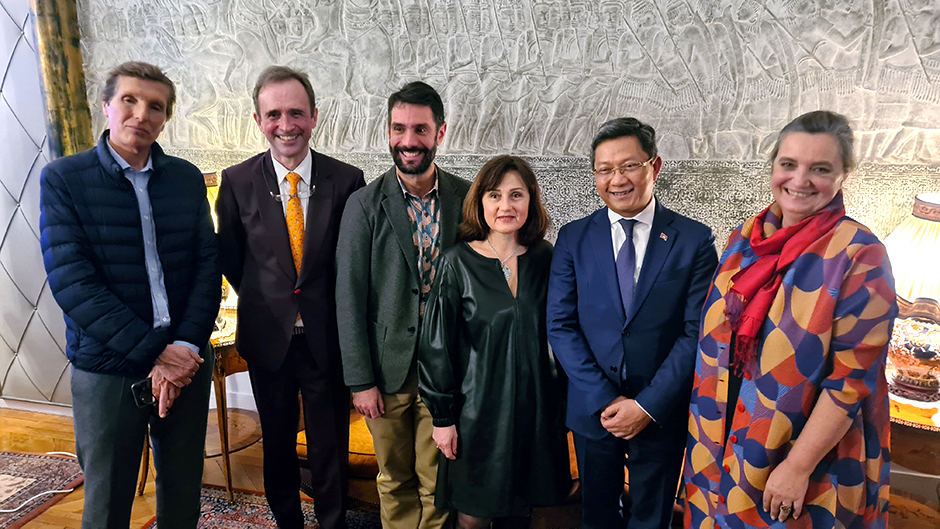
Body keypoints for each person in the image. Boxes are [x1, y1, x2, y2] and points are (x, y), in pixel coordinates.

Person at [683, 110, 897, 528]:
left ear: (843, 175)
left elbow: (849, 384)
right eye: (789, 165)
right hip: (720, 442)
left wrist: (797, 467)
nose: (799, 181)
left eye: (819, 169)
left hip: (804, 457)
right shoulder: (746, 237)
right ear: (774, 166)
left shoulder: (860, 255)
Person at [39, 61, 221, 528]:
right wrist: (155, 354)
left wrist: (182, 347)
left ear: (165, 118)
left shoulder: (185, 178)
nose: (141, 113)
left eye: (155, 106)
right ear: (107, 107)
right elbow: (73, 283)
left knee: (183, 490)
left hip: (185, 361)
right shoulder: (64, 179)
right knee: (107, 500)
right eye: (130, 100)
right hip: (109, 369)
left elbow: (207, 267)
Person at [547, 117, 718, 529]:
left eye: (629, 166)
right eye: (605, 169)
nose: (617, 179)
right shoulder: (573, 238)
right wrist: (607, 400)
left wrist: (645, 405)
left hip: (659, 410)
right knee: (597, 516)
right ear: (594, 176)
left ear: (654, 167)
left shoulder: (694, 240)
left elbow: (697, 331)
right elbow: (561, 325)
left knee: (651, 519)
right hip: (594, 409)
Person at [215, 65, 365, 529]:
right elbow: (233, 259)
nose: (286, 125)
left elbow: (353, 264)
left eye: (296, 113)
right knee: (277, 442)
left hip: (327, 341)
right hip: (269, 340)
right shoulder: (237, 182)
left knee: (329, 446)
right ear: (259, 121)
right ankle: (287, 522)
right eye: (274, 114)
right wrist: (275, 301)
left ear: (314, 116)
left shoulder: (347, 180)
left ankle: (333, 523)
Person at [336, 81, 470, 529]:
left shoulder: (468, 199)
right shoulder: (363, 205)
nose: (408, 140)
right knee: (394, 479)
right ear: (388, 131)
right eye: (398, 128)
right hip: (385, 373)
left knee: (437, 481)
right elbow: (348, 297)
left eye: (420, 129)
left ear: (441, 132)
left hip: (445, 370)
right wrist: (360, 381)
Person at [417, 156, 572, 529]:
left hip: (534, 412)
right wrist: (443, 418)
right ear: (480, 202)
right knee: (472, 518)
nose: (506, 206)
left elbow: (567, 332)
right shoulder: (457, 263)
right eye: (494, 195)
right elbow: (437, 345)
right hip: (476, 416)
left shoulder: (547, 259)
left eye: (516, 195)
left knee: (521, 512)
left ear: (531, 201)